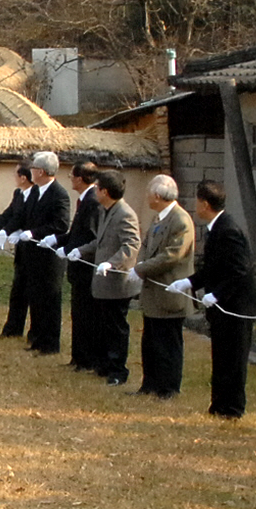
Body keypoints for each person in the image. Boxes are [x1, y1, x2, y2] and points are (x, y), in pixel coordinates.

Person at [179, 181, 256, 418]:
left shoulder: (228, 230)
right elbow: (213, 269)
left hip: (236, 307)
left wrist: (217, 294)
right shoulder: (216, 228)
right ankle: (219, 405)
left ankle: (233, 408)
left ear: (205, 204)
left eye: (197, 202)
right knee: (221, 356)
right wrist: (190, 282)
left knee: (233, 359)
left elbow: (240, 271)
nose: (196, 207)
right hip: (222, 307)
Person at [132, 175, 195, 399]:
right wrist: (140, 263)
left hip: (169, 290)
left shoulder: (181, 220)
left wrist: (142, 269)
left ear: (157, 196)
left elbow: (172, 256)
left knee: (168, 342)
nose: (147, 197)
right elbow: (147, 245)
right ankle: (150, 383)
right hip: (153, 291)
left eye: (149, 193)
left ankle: (169, 387)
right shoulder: (158, 218)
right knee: (150, 341)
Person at [75, 169, 140, 385]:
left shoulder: (125, 213)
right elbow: (100, 241)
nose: (94, 190)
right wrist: (81, 250)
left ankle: (117, 371)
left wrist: (112, 262)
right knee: (102, 325)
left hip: (116, 282)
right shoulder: (105, 211)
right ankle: (103, 364)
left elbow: (131, 245)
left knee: (116, 328)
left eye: (97, 187)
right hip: (102, 281)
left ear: (105, 191)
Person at [18, 152, 72, 355]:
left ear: (40, 171)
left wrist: (34, 232)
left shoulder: (59, 194)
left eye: (33, 169)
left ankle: (50, 343)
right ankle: (37, 338)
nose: (30, 172)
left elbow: (61, 224)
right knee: (35, 297)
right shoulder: (35, 191)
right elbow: (24, 215)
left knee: (49, 299)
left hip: (49, 256)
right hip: (32, 254)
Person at [53, 162, 102, 372]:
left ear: (80, 179)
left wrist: (72, 249)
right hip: (77, 268)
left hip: (85, 268)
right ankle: (78, 357)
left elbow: (89, 236)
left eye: (72, 175)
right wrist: (58, 240)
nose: (70, 178)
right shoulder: (84, 200)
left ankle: (86, 359)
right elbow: (75, 233)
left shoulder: (92, 201)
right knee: (78, 314)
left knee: (86, 315)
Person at [0, 164, 33, 338]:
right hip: (21, 250)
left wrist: (12, 230)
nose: (14, 177)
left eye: (15, 174)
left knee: (32, 293)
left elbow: (25, 218)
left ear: (23, 177)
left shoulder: (36, 194)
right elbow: (9, 214)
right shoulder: (18, 194)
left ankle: (34, 333)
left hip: (34, 248)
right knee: (18, 290)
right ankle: (12, 329)